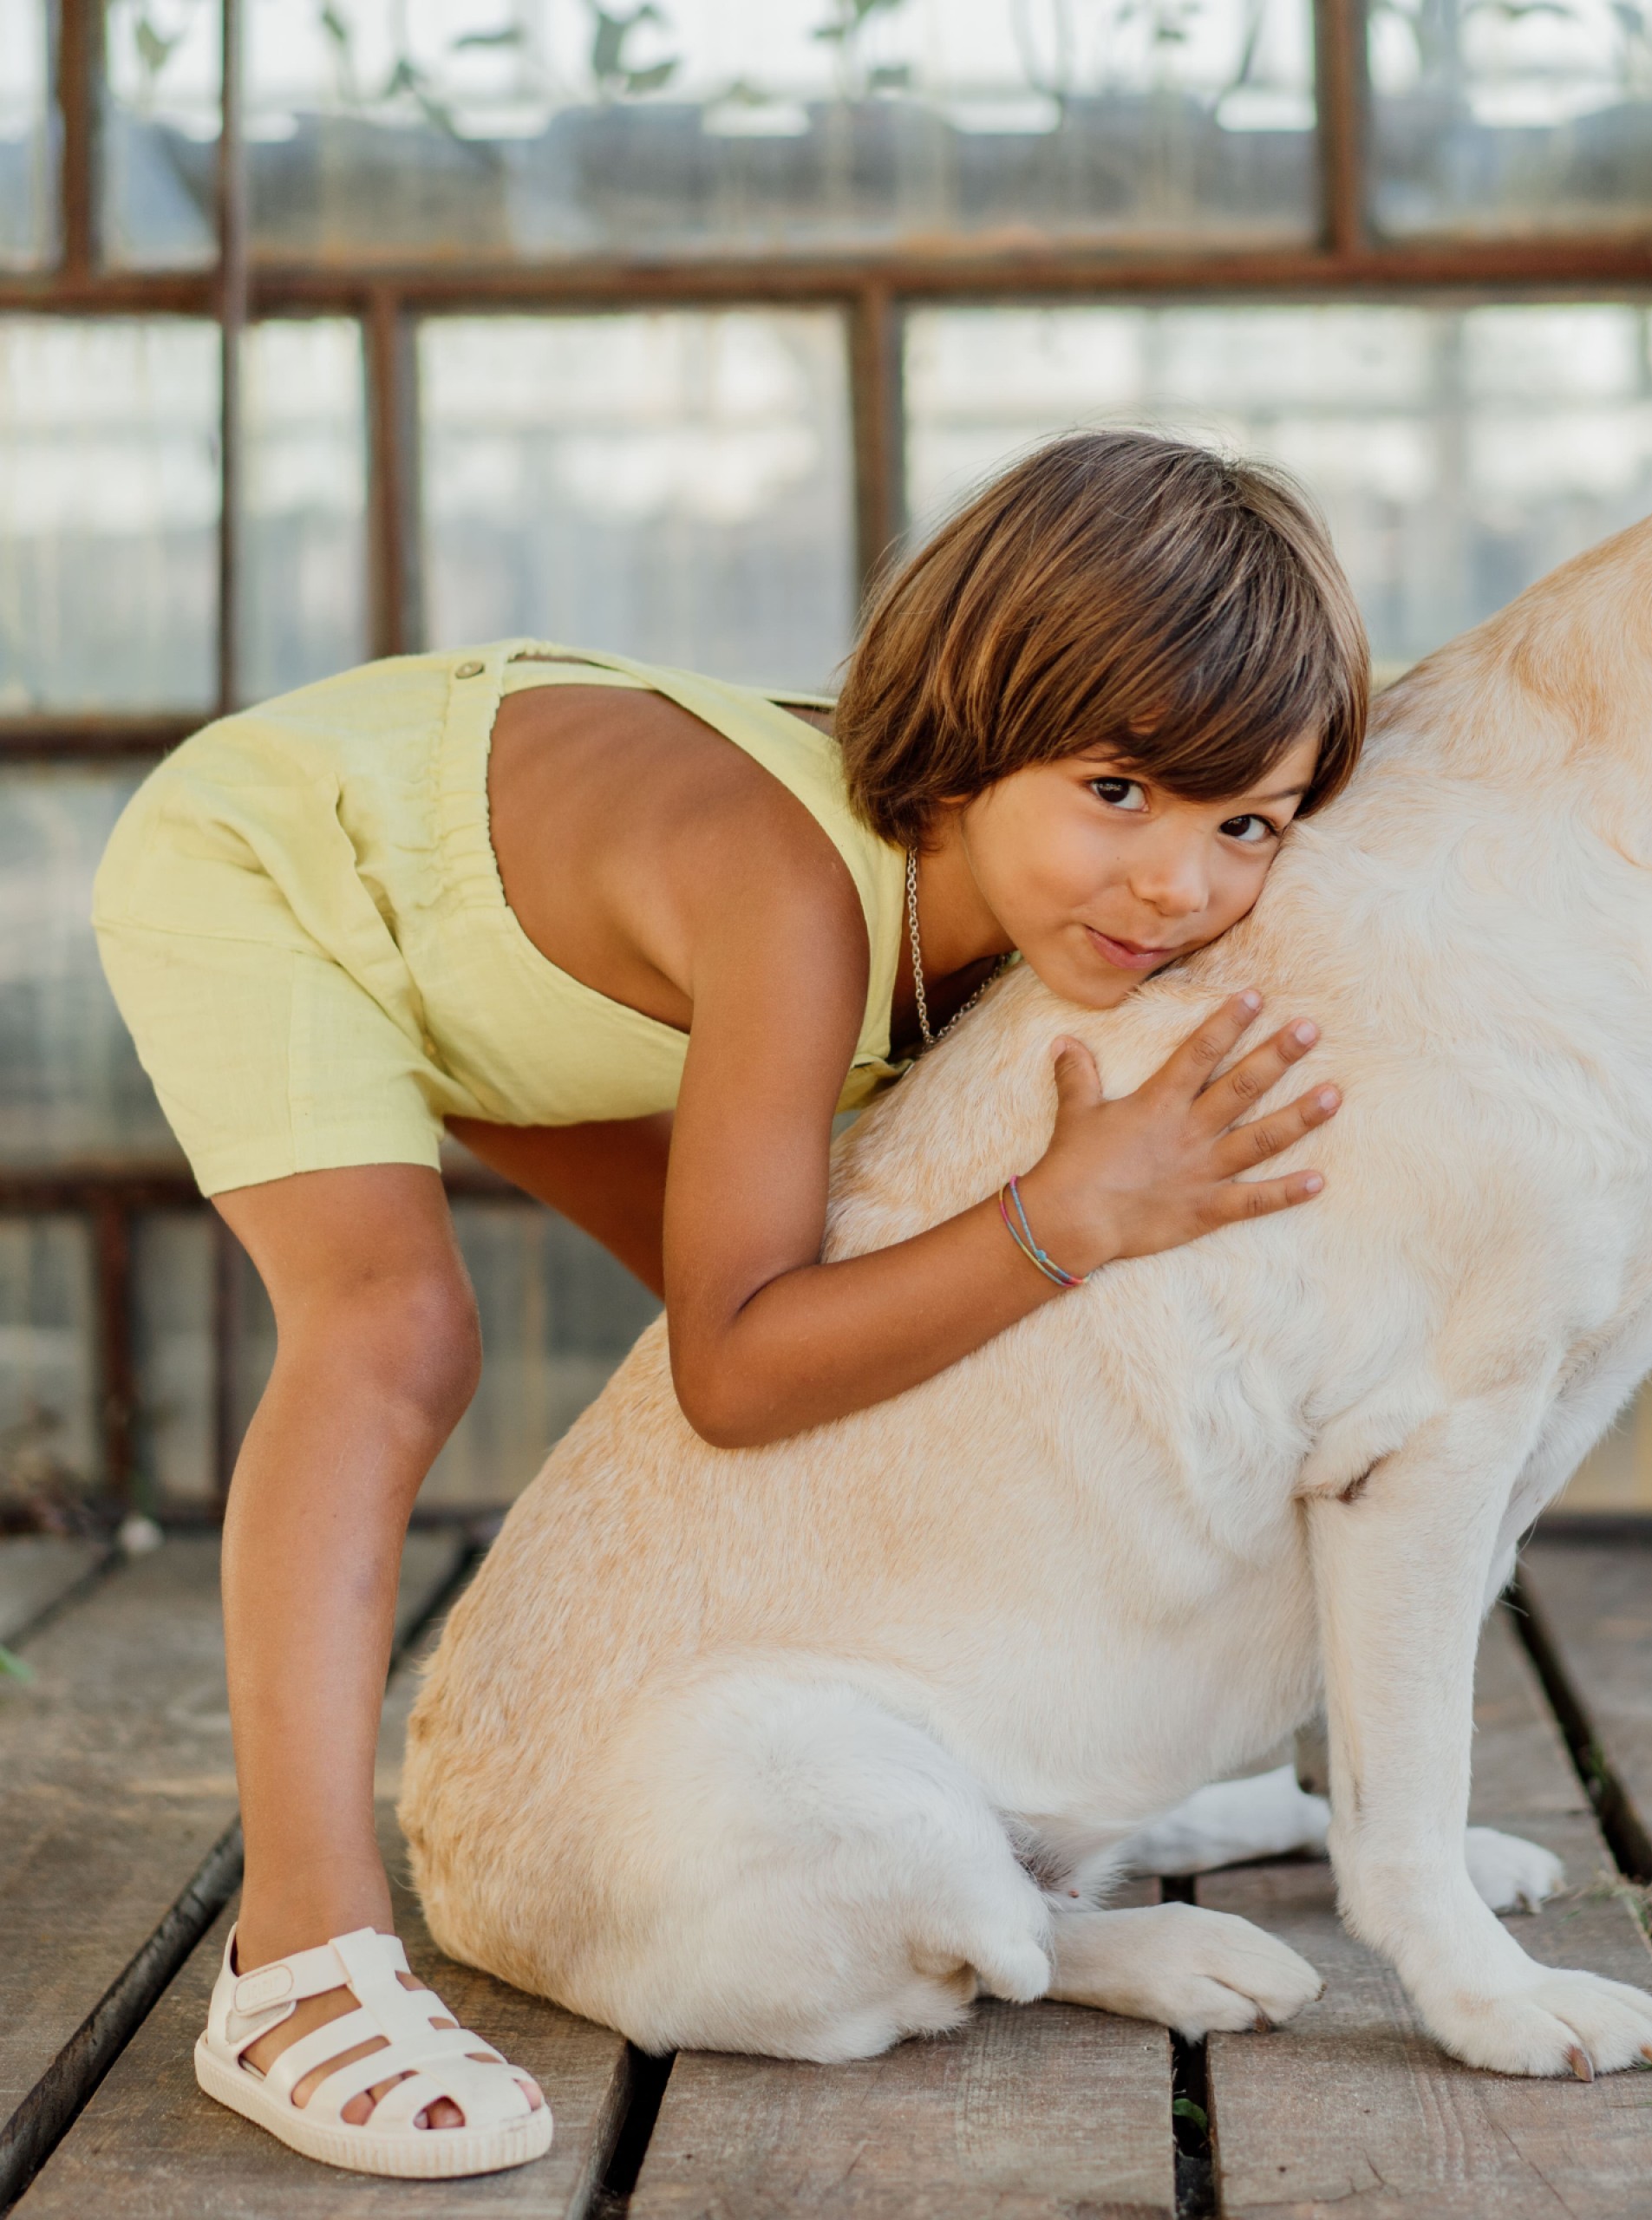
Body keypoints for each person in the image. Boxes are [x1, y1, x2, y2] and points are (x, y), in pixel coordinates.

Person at [92, 428, 1368, 2179]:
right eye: (1121, 792)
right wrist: (1061, 1212)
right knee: (404, 1331)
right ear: (981, 724)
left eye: (1250, 824)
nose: (1182, 884)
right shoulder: (791, 903)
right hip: (298, 859)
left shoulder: (1029, 924)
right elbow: (738, 1376)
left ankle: (995, 1773)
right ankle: (298, 1952)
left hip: (532, 935)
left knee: (867, 1308)